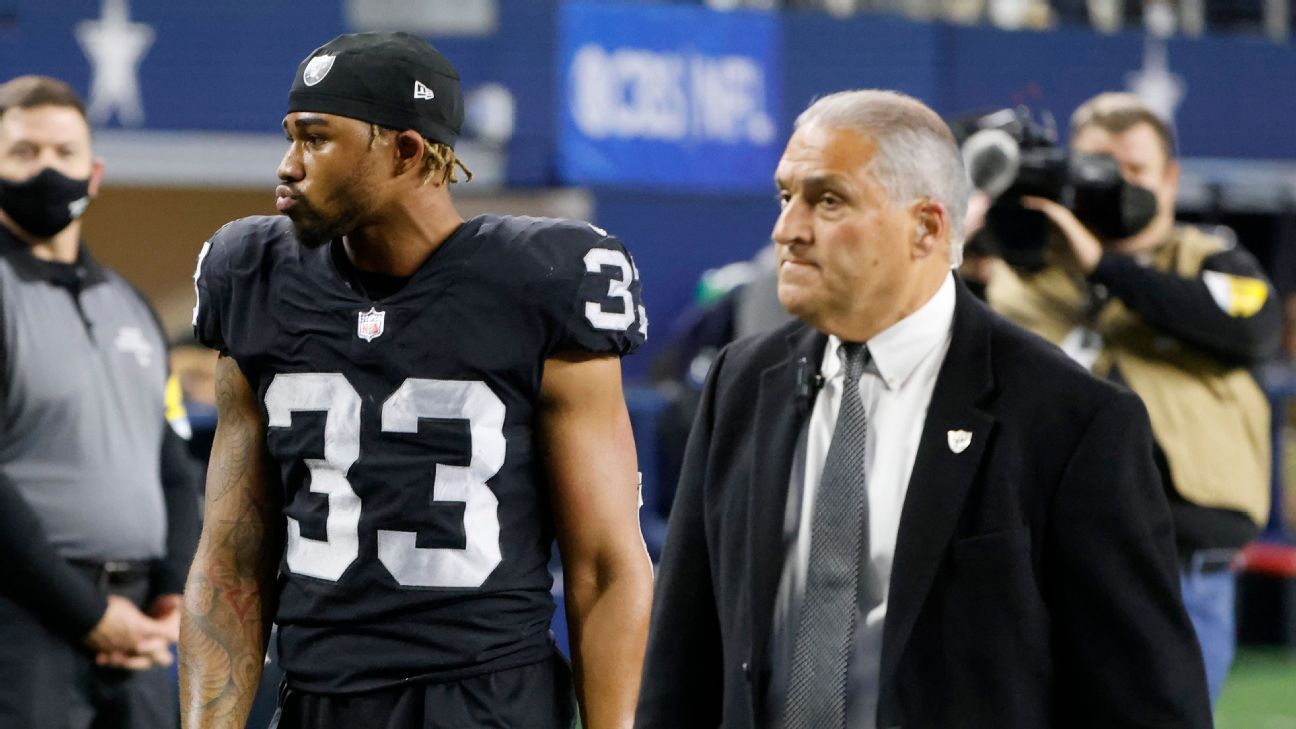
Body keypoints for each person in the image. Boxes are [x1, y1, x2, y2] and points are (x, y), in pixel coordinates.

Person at [636, 89, 1212, 729]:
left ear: (928, 228)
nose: (787, 230)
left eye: (828, 200)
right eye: (785, 196)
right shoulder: (740, 384)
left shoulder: (1071, 420)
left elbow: (1149, 701)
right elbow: (680, 658)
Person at [181, 32, 653, 729]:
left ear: (405, 150)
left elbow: (606, 565)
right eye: (291, 137)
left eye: (316, 139)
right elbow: (232, 559)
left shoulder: (543, 280)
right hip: (317, 698)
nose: (288, 166)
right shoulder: (253, 273)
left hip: (487, 702)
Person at [986, 91, 1280, 705]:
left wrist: (1104, 266)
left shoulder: (1208, 258)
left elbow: (1253, 329)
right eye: (1093, 166)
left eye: (1133, 169)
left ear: (1170, 179)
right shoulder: (1026, 272)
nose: (1112, 185)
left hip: (1178, 570)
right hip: (1043, 564)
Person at [0, 75, 201, 728]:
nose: (47, 169)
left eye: (64, 152)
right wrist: (87, 614)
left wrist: (173, 595)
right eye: (24, 153)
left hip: (139, 624)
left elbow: (171, 461)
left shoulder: (131, 306)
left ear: (94, 171)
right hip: (24, 624)